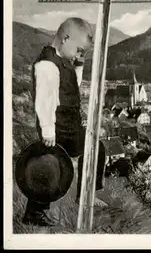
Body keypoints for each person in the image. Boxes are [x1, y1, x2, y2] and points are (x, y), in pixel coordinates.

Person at [23, 17, 108, 227]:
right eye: (79, 50)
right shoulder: (47, 65)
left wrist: (79, 65)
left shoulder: (63, 62)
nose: (80, 55)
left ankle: (86, 195)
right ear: (65, 38)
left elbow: (71, 86)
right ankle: (35, 213)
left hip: (70, 125)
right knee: (47, 167)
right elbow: (45, 99)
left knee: (96, 148)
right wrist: (48, 129)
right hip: (57, 125)